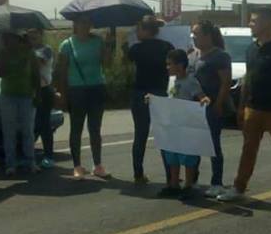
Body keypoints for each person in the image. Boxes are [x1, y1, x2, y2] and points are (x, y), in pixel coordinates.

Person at [217, 8, 271, 211]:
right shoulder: (251, 49)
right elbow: (248, 79)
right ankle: (238, 188)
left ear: (267, 23)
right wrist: (241, 107)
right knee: (248, 150)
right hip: (253, 109)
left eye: (253, 21)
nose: (250, 24)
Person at [56, 15, 114, 180]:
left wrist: (109, 45)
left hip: (96, 88)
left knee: (95, 129)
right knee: (76, 129)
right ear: (75, 24)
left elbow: (107, 64)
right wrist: (62, 94)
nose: (86, 26)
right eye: (82, 23)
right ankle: (77, 165)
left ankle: (98, 165)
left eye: (88, 23)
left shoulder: (97, 42)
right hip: (76, 90)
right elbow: (62, 71)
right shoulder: (67, 44)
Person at [125, 16, 175, 184]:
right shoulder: (167, 47)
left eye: (139, 29)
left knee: (140, 134)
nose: (137, 33)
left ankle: (138, 173)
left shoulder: (137, 49)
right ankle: (171, 175)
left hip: (140, 93)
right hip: (160, 92)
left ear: (146, 30)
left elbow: (127, 58)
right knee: (164, 135)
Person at [157, 49, 210, 200]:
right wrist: (153, 100)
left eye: (170, 64)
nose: (167, 67)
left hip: (186, 125)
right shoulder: (172, 81)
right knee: (172, 154)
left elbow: (202, 96)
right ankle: (174, 184)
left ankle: (189, 184)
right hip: (173, 125)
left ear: (180, 65)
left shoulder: (190, 81)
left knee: (187, 155)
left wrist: (204, 100)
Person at [187, 21, 232, 198]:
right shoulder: (193, 54)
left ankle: (217, 183)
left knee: (213, 145)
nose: (194, 37)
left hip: (211, 107)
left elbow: (226, 82)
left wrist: (218, 104)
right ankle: (193, 180)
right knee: (194, 144)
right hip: (193, 107)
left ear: (208, 36)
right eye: (193, 34)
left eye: (196, 34)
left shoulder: (220, 56)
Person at [0, 32, 41, 176]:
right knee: (9, 131)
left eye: (14, 39)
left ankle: (30, 161)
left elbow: (36, 74)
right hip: (7, 95)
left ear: (19, 40)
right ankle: (11, 164)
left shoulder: (29, 53)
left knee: (27, 129)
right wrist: (4, 59)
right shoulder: (3, 53)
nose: (12, 42)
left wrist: (37, 94)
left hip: (26, 95)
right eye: (8, 39)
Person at [30, 28, 57, 170]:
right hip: (30, 90)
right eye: (30, 35)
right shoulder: (27, 50)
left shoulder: (46, 50)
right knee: (31, 125)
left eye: (35, 35)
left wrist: (26, 51)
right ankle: (28, 155)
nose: (32, 38)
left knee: (44, 124)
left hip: (44, 90)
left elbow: (38, 62)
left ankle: (49, 156)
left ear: (41, 35)